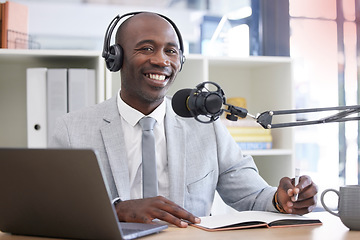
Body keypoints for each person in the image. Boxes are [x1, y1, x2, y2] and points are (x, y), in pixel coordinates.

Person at [50, 12, 318, 228]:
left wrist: (283, 199)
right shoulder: (72, 130)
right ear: (116, 57)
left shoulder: (206, 126)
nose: (161, 60)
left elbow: (250, 193)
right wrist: (116, 211)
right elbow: (55, 209)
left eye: (171, 51)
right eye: (146, 48)